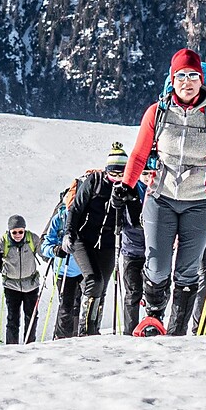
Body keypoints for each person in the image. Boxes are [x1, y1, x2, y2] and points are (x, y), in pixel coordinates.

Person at [122, 48, 206, 336]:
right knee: (158, 265)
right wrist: (126, 185)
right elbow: (139, 154)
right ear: (172, 80)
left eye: (193, 76)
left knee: (188, 269)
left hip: (201, 202)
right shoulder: (157, 113)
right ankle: (154, 318)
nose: (187, 82)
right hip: (161, 197)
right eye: (181, 76)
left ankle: (177, 330)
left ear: (202, 80)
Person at [65, 142, 137, 335]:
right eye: (113, 174)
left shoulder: (128, 187)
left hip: (107, 243)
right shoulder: (94, 181)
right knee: (94, 280)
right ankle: (85, 328)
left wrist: (128, 199)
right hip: (83, 239)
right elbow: (76, 208)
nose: (116, 178)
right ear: (107, 171)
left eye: (121, 174)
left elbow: (133, 216)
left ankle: (93, 329)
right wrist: (69, 233)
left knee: (102, 286)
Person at [40, 186, 83, 339]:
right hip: (64, 270)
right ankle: (63, 339)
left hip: (84, 268)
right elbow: (44, 246)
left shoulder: (87, 214)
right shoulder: (58, 219)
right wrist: (55, 250)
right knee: (66, 307)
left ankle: (78, 337)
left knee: (82, 306)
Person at [0, 215, 44, 343]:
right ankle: (11, 347)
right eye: (14, 232)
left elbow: (43, 253)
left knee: (32, 317)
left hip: (31, 284)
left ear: (24, 230)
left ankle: (30, 344)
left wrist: (53, 252)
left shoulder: (32, 238)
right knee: (13, 318)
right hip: (11, 286)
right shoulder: (3, 241)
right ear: (9, 231)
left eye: (20, 231)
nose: (18, 235)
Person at [117, 184, 148, 334]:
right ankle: (130, 332)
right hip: (132, 251)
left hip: (152, 251)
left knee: (155, 294)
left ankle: (152, 328)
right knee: (133, 293)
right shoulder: (129, 188)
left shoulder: (160, 185)